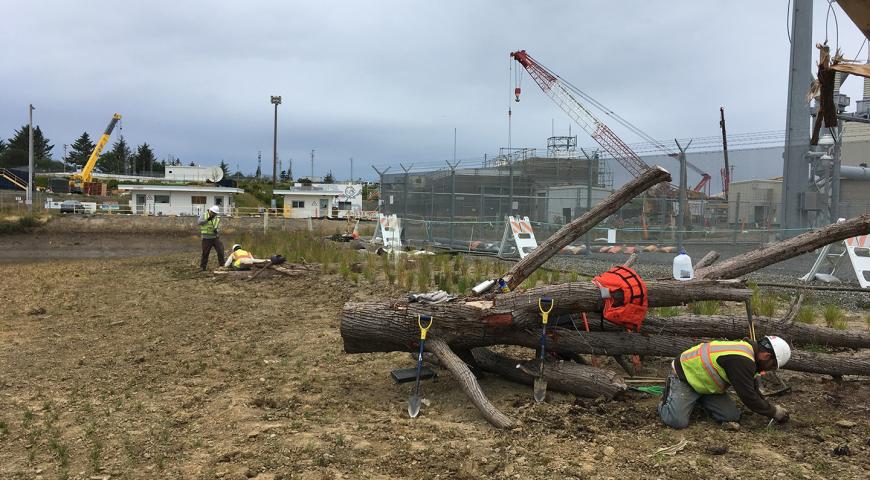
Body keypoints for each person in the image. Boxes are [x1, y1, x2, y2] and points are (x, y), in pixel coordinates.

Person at [658, 335, 791, 429]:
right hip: (685, 377)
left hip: (707, 385)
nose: (769, 370)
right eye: (772, 366)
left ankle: (697, 399)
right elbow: (748, 396)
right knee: (676, 421)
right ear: (766, 356)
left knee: (731, 416)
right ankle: (668, 398)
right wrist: (773, 412)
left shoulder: (748, 352)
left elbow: (752, 388)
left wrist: (768, 407)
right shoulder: (743, 361)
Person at [198, 205, 225, 271]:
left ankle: (222, 265)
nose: (214, 214)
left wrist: (217, 230)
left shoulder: (217, 218)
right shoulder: (204, 215)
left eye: (215, 213)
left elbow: (217, 226)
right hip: (206, 238)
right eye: (213, 213)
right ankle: (203, 267)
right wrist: (207, 220)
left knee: (220, 250)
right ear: (210, 211)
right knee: (205, 253)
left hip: (215, 237)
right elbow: (199, 222)